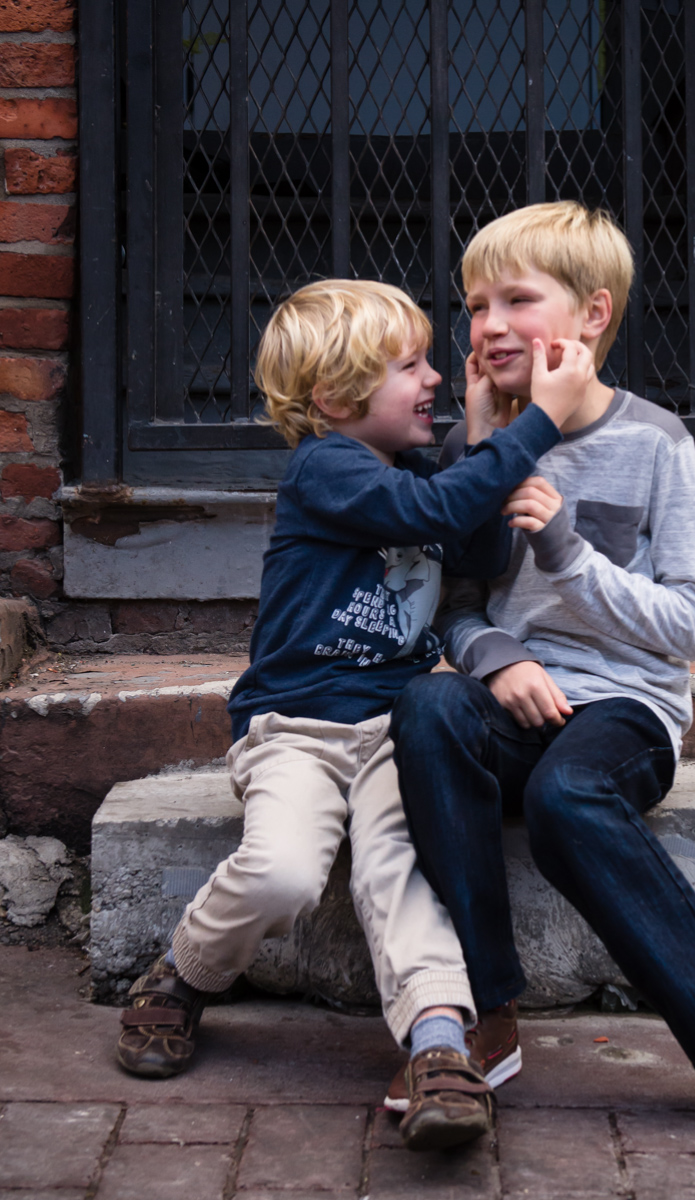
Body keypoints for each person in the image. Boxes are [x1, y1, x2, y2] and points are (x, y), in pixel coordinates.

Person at [387, 201, 695, 1165]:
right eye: (474, 304)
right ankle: (484, 1014)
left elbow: (693, 622)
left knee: (567, 797)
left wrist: (567, 554)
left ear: (593, 315)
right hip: (511, 704)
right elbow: (455, 603)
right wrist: (496, 656)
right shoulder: (480, 444)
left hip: (625, 709)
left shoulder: (656, 443)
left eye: (518, 298)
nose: (487, 325)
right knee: (428, 704)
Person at [114, 279, 585, 1151]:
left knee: (396, 871)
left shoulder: (417, 471)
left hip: (391, 731)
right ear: (335, 398)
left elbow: (473, 541)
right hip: (297, 728)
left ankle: (440, 1044)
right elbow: (440, 512)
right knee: (283, 873)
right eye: (409, 366)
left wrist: (481, 436)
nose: (437, 377)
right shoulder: (326, 467)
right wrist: (540, 421)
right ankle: (184, 972)